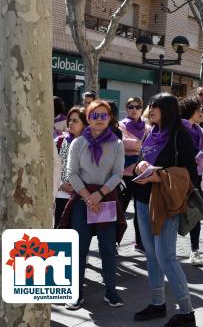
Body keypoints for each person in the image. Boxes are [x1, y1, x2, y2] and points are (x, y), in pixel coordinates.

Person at [133, 93, 200, 327]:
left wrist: (157, 175)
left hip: (165, 202)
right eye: (150, 106)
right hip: (142, 200)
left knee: (166, 257)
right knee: (151, 255)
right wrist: (140, 167)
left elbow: (190, 175)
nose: (150, 110)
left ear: (168, 110)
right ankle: (157, 303)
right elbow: (145, 161)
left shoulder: (180, 136)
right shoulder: (152, 133)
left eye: (156, 106)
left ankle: (187, 312)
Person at [62, 100, 125, 309]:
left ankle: (111, 292)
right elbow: (71, 173)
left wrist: (99, 195)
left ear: (110, 118)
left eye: (103, 115)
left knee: (107, 248)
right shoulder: (78, 143)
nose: (99, 120)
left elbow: (117, 174)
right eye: (94, 115)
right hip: (82, 201)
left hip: (105, 200)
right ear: (88, 118)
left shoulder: (117, 144)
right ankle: (76, 293)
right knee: (79, 249)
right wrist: (88, 196)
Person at [118, 97, 151, 253]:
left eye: (137, 106)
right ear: (127, 108)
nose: (134, 109)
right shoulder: (121, 125)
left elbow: (151, 146)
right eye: (131, 106)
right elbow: (122, 143)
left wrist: (134, 146)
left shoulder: (147, 127)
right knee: (120, 209)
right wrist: (140, 145)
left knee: (141, 211)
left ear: (141, 108)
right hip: (125, 174)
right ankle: (114, 241)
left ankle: (140, 242)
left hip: (142, 175)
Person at [180, 98, 203, 266]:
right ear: (191, 110)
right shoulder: (178, 127)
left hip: (195, 176)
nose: (201, 113)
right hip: (180, 176)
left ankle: (194, 250)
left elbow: (200, 150)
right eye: (199, 110)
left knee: (195, 211)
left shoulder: (199, 129)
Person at [54, 106, 88, 228]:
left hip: (81, 195)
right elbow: (52, 167)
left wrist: (77, 185)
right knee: (60, 230)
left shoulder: (90, 143)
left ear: (84, 123)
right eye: (70, 120)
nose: (70, 123)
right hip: (61, 194)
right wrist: (60, 184)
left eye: (75, 120)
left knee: (77, 232)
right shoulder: (60, 141)